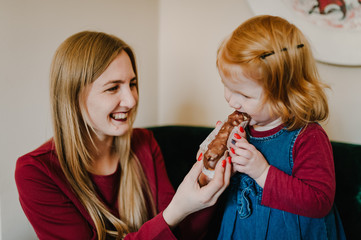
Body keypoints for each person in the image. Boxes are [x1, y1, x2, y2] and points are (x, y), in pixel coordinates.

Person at [15, 31, 231, 240]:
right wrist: (175, 210)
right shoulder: (35, 172)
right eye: (112, 88)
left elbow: (181, 234)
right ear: (73, 96)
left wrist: (204, 181)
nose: (131, 100)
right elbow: (169, 219)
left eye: (132, 84)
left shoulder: (145, 143)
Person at [205, 15, 346, 239]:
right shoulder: (242, 128)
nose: (232, 101)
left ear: (285, 96)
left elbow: (320, 202)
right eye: (227, 86)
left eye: (244, 94)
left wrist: (262, 172)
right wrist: (214, 166)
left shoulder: (308, 137)